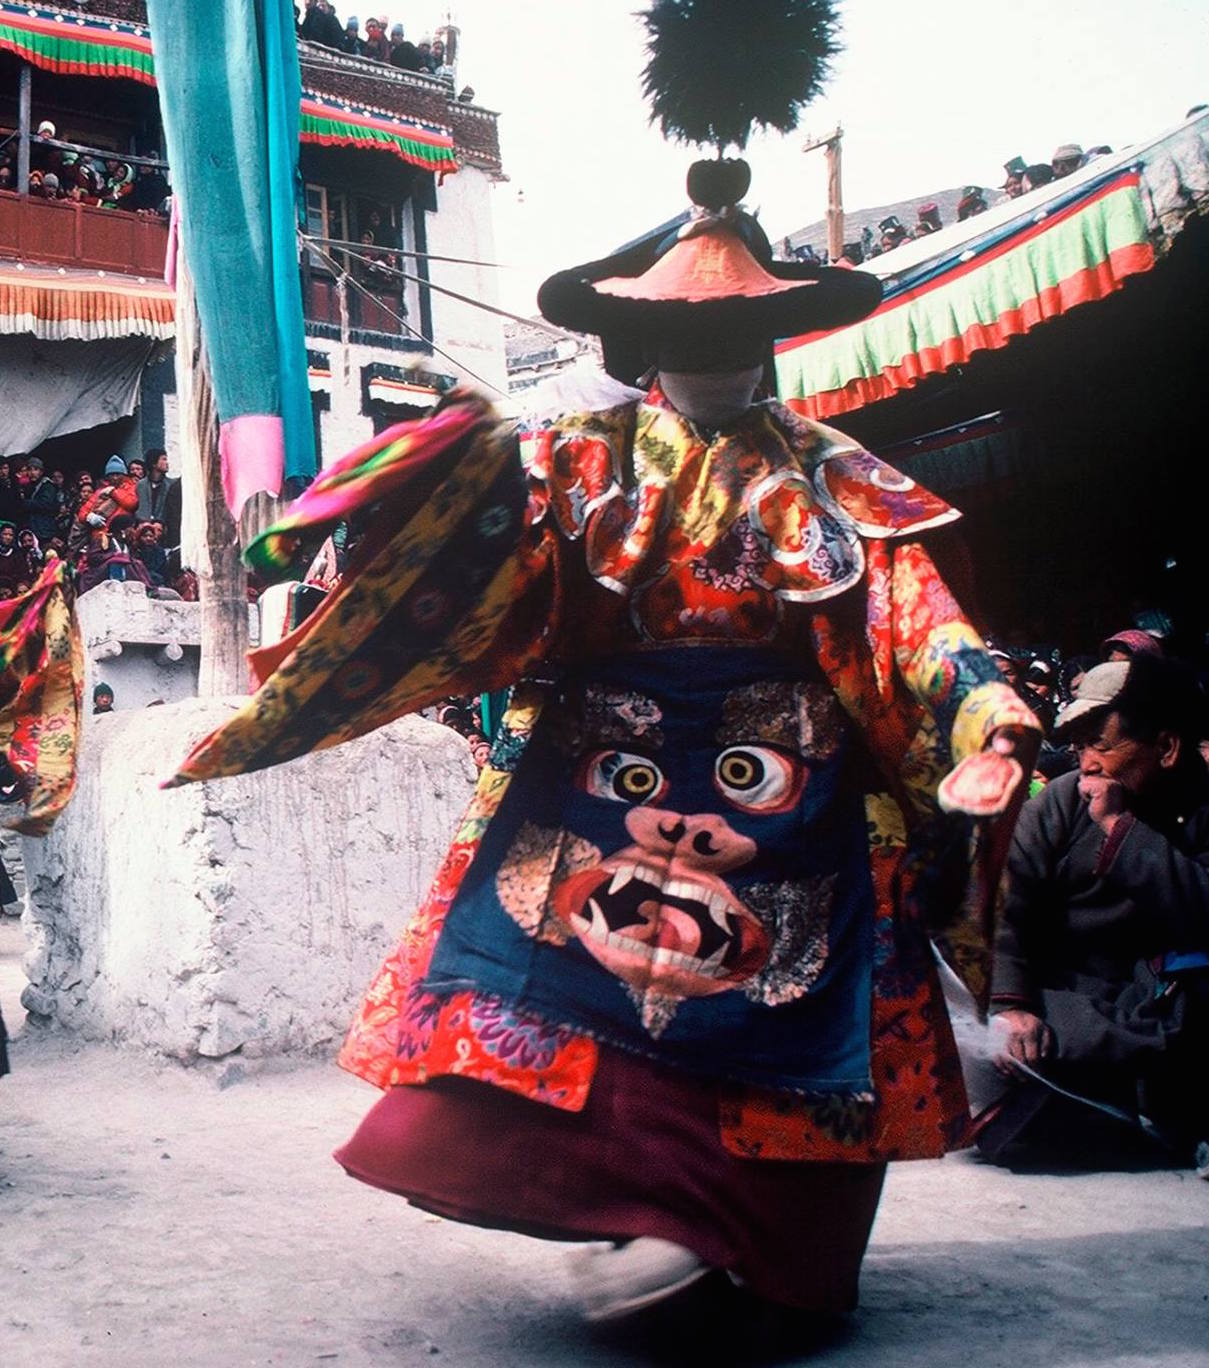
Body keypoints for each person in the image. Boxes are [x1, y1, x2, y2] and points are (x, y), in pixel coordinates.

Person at [170, 153, 1040, 1321]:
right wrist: (390, 493)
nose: (721, 356)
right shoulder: (574, 457)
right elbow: (481, 566)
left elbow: (913, 614)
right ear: (646, 347)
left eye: (746, 330)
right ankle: (628, 1214)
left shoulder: (838, 478)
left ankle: (769, 1252)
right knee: (552, 956)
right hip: (605, 761)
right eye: (695, 333)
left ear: (778, 337)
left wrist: (988, 717)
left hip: (785, 788)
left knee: (791, 998)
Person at [983, 657, 1209, 1169]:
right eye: (1080, 746)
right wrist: (1010, 1007)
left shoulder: (1201, 808)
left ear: (1167, 748)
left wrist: (1118, 830)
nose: (1085, 763)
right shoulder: (1060, 803)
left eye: (1101, 745)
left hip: (1165, 999)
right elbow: (1004, 909)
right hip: (1063, 997)